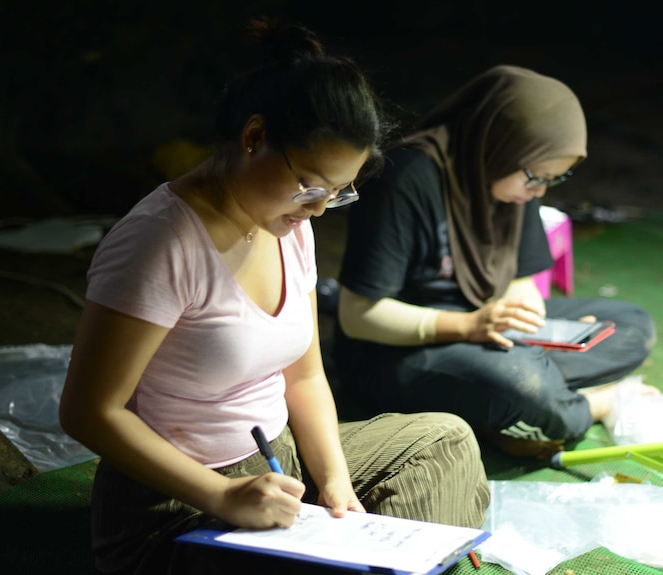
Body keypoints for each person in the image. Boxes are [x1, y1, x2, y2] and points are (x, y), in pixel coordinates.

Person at [58, 19, 489, 575]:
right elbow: (90, 411)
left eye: (338, 193)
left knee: (443, 442)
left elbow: (304, 376)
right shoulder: (159, 243)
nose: (317, 208)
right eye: (311, 186)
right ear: (253, 137)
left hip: (278, 468)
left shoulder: (291, 227)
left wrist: (335, 485)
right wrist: (221, 497)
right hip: (176, 504)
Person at [333, 65, 659, 460]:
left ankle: (505, 402)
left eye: (553, 179)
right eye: (534, 176)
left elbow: (520, 281)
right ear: (498, 143)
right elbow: (358, 316)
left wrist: (539, 328)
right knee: (522, 382)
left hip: (485, 330)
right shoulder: (406, 180)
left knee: (631, 326)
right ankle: (587, 406)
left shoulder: (511, 183)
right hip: (394, 352)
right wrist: (468, 326)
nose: (539, 189)